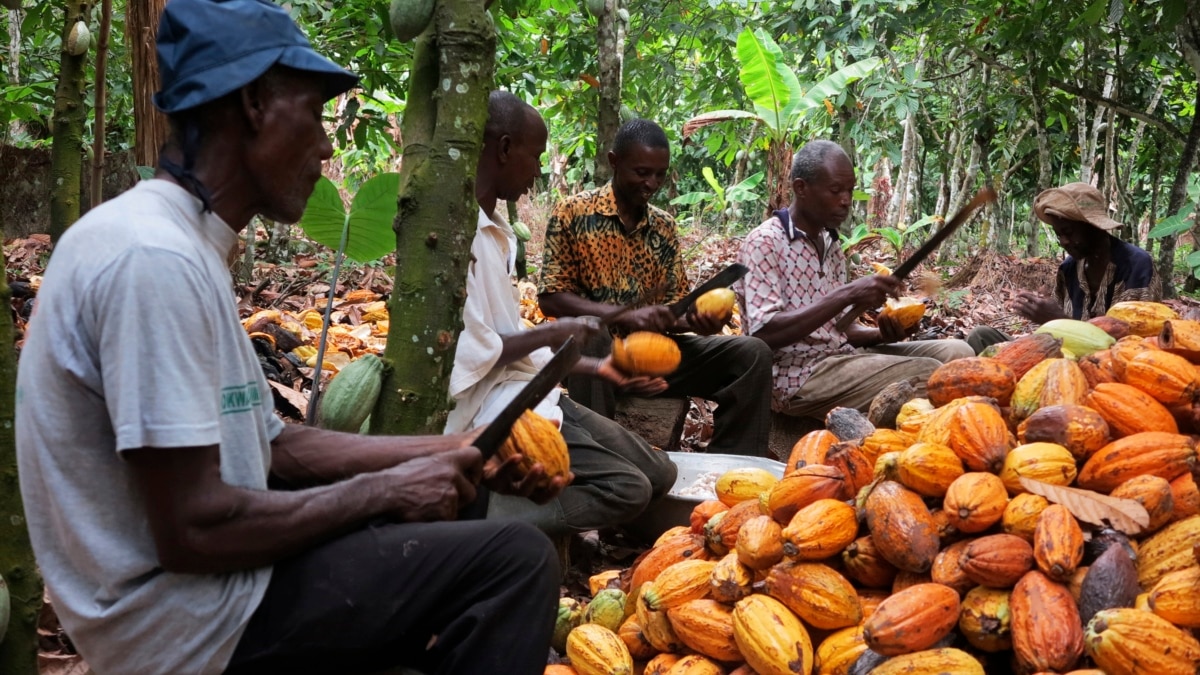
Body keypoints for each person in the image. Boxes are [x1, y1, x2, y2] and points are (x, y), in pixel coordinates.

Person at [16, 2, 561, 674]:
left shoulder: (183, 243)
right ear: (253, 103)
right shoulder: (150, 256)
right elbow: (194, 527)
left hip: (222, 594)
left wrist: (457, 447)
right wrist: (388, 490)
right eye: (314, 115)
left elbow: (276, 448)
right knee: (517, 562)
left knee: (463, 494)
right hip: (189, 628)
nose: (327, 146)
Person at [445, 91, 678, 537]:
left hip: (531, 388)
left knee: (660, 474)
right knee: (627, 489)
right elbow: (477, 353)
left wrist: (600, 367)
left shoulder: (498, 232)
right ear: (505, 148)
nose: (537, 170)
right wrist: (562, 332)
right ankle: (476, 518)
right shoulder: (460, 238)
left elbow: (503, 339)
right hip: (491, 408)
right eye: (534, 156)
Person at [538, 119, 774, 457]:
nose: (652, 184)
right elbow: (550, 298)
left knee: (753, 353)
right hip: (597, 360)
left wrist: (693, 320)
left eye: (660, 175)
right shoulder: (573, 213)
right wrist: (624, 316)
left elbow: (673, 308)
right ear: (614, 161)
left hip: (652, 354)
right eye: (642, 172)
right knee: (591, 337)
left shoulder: (663, 226)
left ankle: (730, 465)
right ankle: (602, 460)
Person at [736, 139, 975, 421]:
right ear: (801, 188)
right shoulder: (765, 242)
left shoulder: (830, 245)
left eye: (850, 190)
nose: (846, 200)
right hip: (796, 376)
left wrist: (882, 334)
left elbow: (837, 330)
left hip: (841, 358)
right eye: (836, 190)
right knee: (927, 373)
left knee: (959, 352)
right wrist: (847, 294)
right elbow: (763, 334)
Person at [967, 181, 1162, 352]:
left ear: (1094, 227)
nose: (1064, 241)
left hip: (1106, 366)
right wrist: (1041, 311)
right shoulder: (1068, 269)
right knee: (981, 336)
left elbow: (1130, 344)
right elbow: (1055, 334)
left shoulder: (1135, 264)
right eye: (1059, 234)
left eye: (1068, 232)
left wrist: (1056, 317)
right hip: (1063, 353)